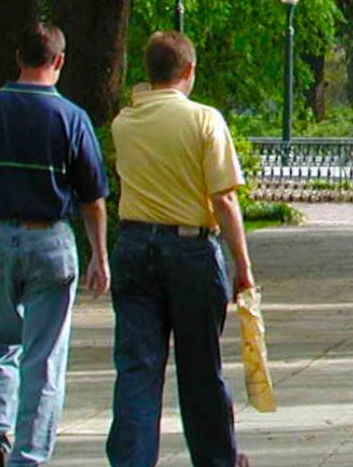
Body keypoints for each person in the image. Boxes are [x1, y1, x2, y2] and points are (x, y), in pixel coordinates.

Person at [0, 22, 110, 467]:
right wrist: (99, 256)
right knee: (44, 357)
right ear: (59, 61)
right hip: (51, 239)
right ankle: (29, 456)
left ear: (18, 58)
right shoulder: (71, 118)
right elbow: (93, 199)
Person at [107, 31, 255, 467]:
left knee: (137, 367)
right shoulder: (204, 120)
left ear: (149, 72)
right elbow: (224, 199)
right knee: (201, 369)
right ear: (189, 70)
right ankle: (216, 459)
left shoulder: (124, 123)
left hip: (134, 245)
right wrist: (243, 266)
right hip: (190, 250)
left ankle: (132, 461)